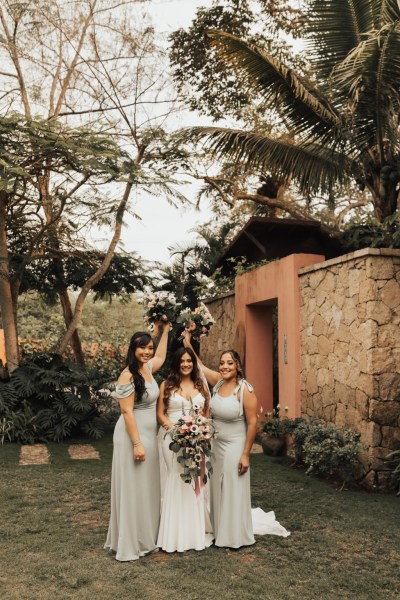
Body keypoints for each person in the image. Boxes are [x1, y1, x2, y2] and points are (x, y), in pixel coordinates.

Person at [183, 332, 290, 547]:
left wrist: (245, 455)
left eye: (229, 363)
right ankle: (220, 528)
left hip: (235, 444)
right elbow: (199, 366)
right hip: (216, 445)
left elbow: (252, 424)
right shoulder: (219, 383)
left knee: (232, 486)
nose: (224, 367)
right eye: (222, 363)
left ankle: (234, 535)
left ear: (237, 366)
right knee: (216, 487)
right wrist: (187, 342)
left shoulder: (245, 390)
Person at [104, 323, 170, 561]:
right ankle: (132, 541)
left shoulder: (148, 368)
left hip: (148, 436)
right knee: (134, 488)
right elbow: (127, 413)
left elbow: (162, 355)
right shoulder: (127, 375)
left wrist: (166, 330)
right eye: (142, 348)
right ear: (132, 349)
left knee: (147, 486)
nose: (147, 352)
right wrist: (137, 444)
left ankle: (146, 535)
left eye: (149, 348)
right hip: (132, 436)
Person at [156, 347, 214, 552]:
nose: (186, 364)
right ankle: (172, 534)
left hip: (196, 439)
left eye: (189, 360)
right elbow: (161, 414)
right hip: (171, 440)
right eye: (182, 361)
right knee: (175, 478)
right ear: (176, 363)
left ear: (193, 362)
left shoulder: (201, 386)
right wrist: (174, 431)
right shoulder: (167, 385)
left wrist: (199, 433)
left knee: (193, 481)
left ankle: (192, 533)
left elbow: (206, 415)